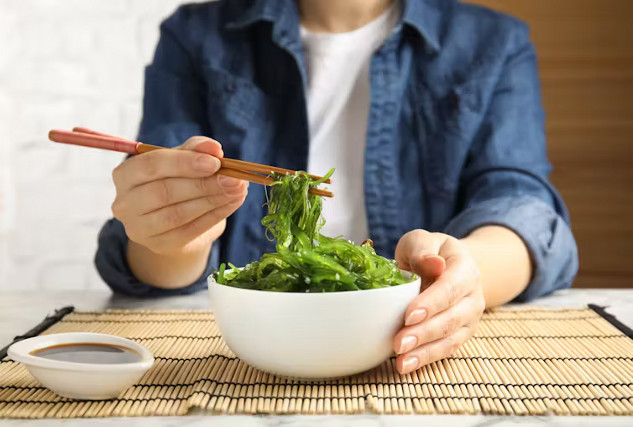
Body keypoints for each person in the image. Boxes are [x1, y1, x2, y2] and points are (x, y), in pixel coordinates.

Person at [95, 0, 578, 375]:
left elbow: (522, 204)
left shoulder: (493, 41)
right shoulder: (195, 36)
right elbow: (154, 259)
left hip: (403, 348)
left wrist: (462, 270)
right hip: (248, 344)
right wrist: (171, 234)